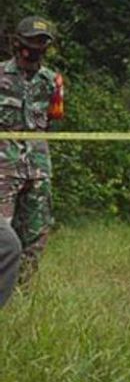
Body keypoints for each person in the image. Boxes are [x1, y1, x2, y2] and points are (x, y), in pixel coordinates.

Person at [0, 15, 65, 290]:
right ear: (18, 43)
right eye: (33, 43)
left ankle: (20, 293)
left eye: (43, 44)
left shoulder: (52, 81)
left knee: (36, 234)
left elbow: (53, 119)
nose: (37, 49)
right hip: (3, 169)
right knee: (3, 235)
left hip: (38, 168)